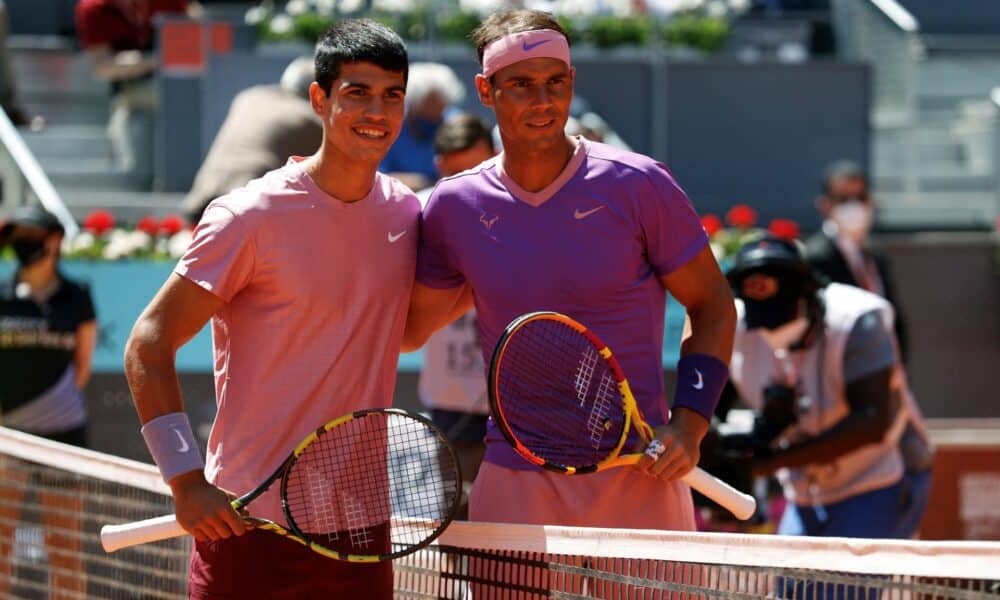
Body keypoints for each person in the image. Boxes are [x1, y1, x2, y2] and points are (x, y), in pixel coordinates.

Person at [403, 9, 736, 531]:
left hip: (640, 475)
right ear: (486, 92)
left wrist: (690, 424)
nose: (543, 101)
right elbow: (408, 332)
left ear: (572, 83)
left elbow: (712, 305)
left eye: (555, 82)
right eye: (521, 85)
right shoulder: (453, 207)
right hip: (516, 478)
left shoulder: (639, 184)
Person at [122, 19, 416, 598]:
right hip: (247, 526)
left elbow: (404, 334)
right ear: (319, 99)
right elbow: (147, 346)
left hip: (359, 530)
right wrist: (184, 482)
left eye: (392, 95)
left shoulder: (407, 214)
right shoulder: (247, 216)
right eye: (357, 93)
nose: (376, 111)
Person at [726, 235, 917, 543]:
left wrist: (773, 463)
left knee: (845, 588)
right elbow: (713, 408)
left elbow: (870, 422)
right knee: (788, 589)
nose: (770, 328)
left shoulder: (858, 319)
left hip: (874, 478)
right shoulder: (734, 324)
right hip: (804, 493)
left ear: (807, 290)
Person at [804, 160, 932, 538]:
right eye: (843, 198)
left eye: (859, 197)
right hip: (843, 398)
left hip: (891, 389)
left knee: (918, 463)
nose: (854, 206)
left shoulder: (875, 256)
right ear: (824, 204)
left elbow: (896, 324)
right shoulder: (816, 256)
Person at [0, 205, 97, 596]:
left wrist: (48, 408)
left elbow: (82, 368)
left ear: (55, 239)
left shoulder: (77, 297)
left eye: (31, 236)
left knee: (65, 546)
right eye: (17, 238)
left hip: (64, 439)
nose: (24, 245)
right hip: (7, 442)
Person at [415, 113, 496, 517]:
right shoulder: (417, 211)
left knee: (514, 536)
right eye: (456, 172)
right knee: (454, 522)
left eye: (478, 169)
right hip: (449, 400)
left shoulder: (520, 211)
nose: (467, 183)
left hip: (516, 403)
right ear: (439, 166)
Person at [182, 56, 324, 223]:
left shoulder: (249, 97)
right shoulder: (309, 118)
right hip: (248, 201)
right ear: (316, 92)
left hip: (202, 195)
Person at [74, 0, 193, 186]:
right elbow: (103, 66)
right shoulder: (94, 8)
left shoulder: (171, 2)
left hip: (180, 96)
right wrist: (152, 61)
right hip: (129, 99)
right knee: (136, 170)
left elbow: (196, 41)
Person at [379, 62, 465, 191]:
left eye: (440, 104)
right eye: (427, 103)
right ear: (412, 102)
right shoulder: (389, 126)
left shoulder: (458, 125)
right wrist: (420, 183)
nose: (433, 111)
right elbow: (376, 176)